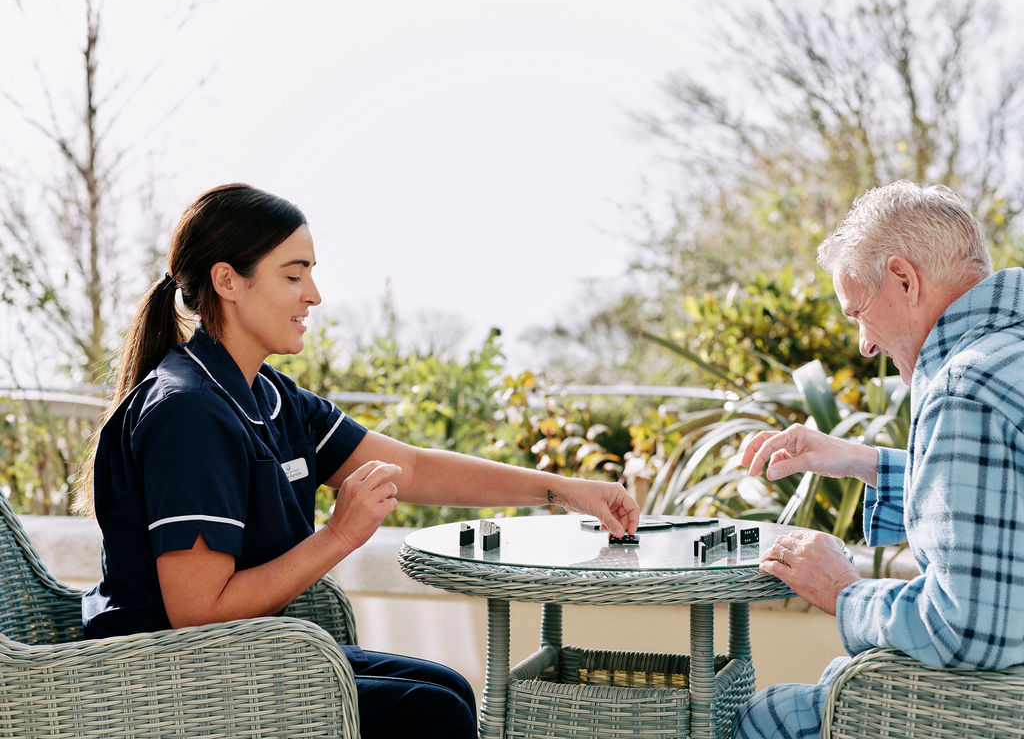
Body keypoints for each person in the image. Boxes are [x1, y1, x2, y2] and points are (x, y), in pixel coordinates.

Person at [78, 183, 640, 739]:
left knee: (448, 690)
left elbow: (412, 469)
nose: (314, 295)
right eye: (293, 275)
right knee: (432, 712)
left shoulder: (270, 396)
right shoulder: (189, 413)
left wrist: (565, 490)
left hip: (242, 657)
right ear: (228, 281)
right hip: (170, 682)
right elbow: (199, 614)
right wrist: (340, 535)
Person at [731, 180, 1024, 739]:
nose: (864, 344)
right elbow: (1006, 505)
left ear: (905, 280)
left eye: (858, 311)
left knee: (766, 717)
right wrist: (865, 462)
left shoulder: (964, 391)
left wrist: (843, 591)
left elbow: (969, 629)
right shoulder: (1008, 355)